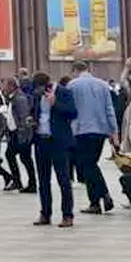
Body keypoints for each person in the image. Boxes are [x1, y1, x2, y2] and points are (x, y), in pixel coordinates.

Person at [67, 61, 118, 214]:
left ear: (75, 70)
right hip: (100, 130)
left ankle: (104, 194)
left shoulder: (72, 85)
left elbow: (70, 110)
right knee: (90, 164)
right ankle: (95, 202)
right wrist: (114, 132)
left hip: (81, 130)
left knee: (86, 164)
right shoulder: (103, 85)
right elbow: (110, 109)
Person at [33, 73, 75, 227]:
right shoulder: (38, 96)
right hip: (41, 140)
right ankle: (45, 213)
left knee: (63, 179)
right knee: (43, 180)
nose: (39, 92)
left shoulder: (64, 92)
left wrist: (55, 103)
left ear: (49, 84)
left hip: (58, 141)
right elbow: (37, 113)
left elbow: (73, 113)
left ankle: (67, 215)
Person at [2, 78, 36, 193]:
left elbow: (24, 116)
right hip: (14, 132)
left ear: (12, 86)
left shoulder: (20, 98)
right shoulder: (12, 97)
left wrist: (23, 134)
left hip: (21, 133)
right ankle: (19, 181)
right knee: (14, 155)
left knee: (24, 158)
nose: (3, 88)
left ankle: (29, 183)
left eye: (5, 86)